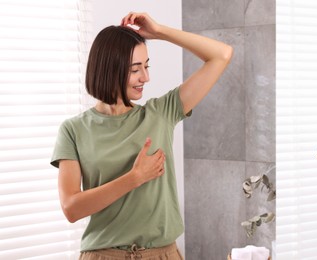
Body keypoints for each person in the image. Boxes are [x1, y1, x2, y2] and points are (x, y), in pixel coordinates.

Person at [50, 12, 232, 259]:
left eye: (146, 66)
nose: (145, 77)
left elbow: (221, 55)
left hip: (162, 254)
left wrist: (159, 32)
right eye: (136, 69)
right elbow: (71, 208)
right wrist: (134, 178)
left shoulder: (161, 113)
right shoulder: (73, 130)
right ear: (110, 69)